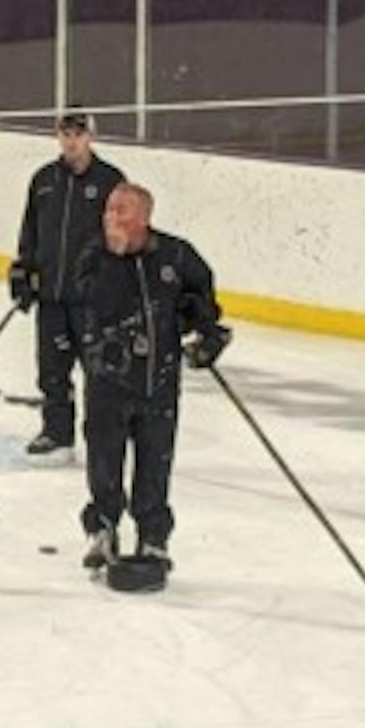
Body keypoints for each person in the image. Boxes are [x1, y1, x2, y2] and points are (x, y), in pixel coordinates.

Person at [72, 182, 228, 589]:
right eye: (108, 210)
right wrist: (113, 257)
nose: (111, 218)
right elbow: (91, 301)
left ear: (144, 217)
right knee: (104, 459)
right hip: (108, 380)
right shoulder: (94, 254)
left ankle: (154, 537)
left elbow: (204, 294)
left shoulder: (175, 255)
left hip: (158, 382)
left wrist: (203, 323)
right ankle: (103, 528)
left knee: (155, 462)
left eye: (121, 210)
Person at [9, 111, 126, 460]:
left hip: (93, 301)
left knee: (100, 374)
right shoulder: (44, 180)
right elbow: (30, 230)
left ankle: (104, 438)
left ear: (91, 137)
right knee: (52, 369)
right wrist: (22, 271)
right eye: (65, 134)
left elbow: (123, 235)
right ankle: (57, 434)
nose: (71, 141)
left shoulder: (111, 181)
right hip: (52, 297)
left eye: (78, 134)